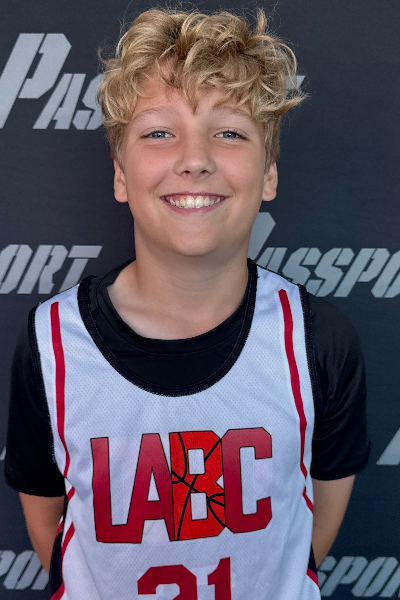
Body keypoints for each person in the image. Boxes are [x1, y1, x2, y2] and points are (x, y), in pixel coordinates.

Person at [5, 8, 369, 600]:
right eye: (158, 132)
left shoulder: (317, 340)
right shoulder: (52, 343)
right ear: (120, 174)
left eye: (230, 132)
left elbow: (313, 526)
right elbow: (49, 521)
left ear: (269, 174)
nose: (194, 158)